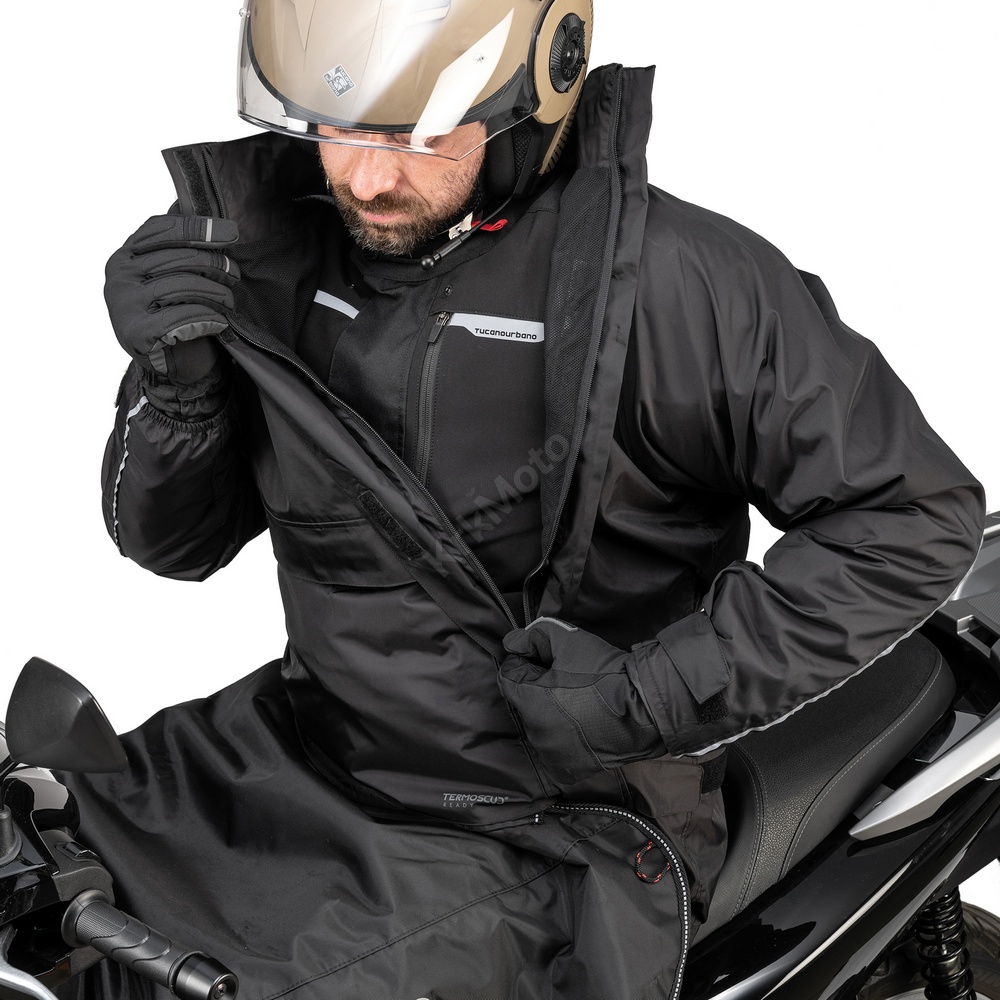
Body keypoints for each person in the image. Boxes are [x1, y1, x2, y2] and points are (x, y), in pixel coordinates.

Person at [58, 0, 984, 996]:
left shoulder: (676, 285)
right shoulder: (278, 258)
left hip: (552, 822)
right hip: (298, 750)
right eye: (334, 128)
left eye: (415, 136)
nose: (362, 179)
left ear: (541, 84)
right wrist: (178, 395)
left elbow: (912, 517)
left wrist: (651, 695)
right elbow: (175, 547)